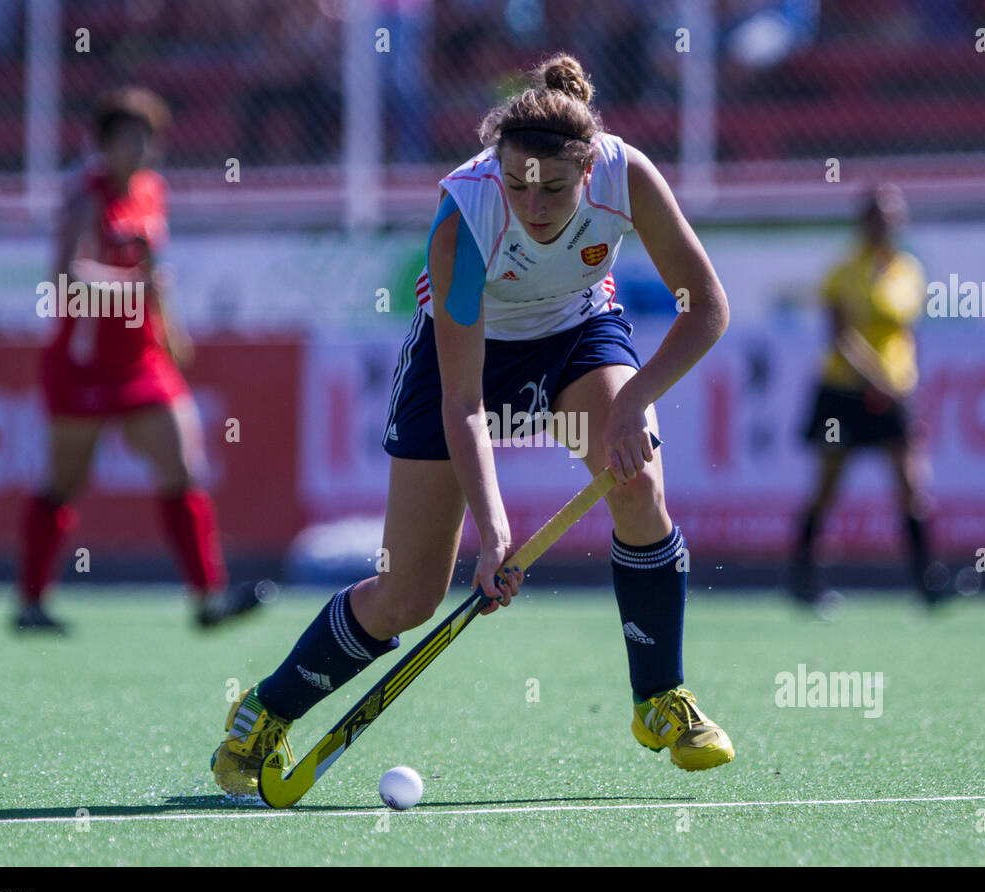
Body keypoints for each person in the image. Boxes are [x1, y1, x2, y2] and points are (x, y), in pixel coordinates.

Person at [212, 54, 734, 797]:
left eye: (555, 188)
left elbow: (706, 307)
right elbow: (465, 402)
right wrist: (493, 536)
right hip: (462, 357)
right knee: (408, 596)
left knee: (640, 482)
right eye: (519, 183)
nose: (535, 203)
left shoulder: (627, 176)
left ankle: (660, 699)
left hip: (577, 334)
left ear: (588, 171)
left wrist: (628, 404)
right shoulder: (466, 214)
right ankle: (266, 709)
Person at [14, 86, 270, 634]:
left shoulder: (153, 191)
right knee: (63, 484)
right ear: (101, 143)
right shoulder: (85, 196)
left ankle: (208, 598)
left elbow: (156, 273)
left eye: (146, 137)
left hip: (141, 360)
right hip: (83, 363)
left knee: (183, 466)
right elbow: (65, 279)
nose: (139, 147)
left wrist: (169, 326)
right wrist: (136, 287)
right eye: (126, 137)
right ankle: (31, 604)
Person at [790, 183, 949, 607]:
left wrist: (902, 378)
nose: (887, 224)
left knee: (912, 485)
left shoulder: (910, 271)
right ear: (864, 221)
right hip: (843, 393)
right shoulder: (842, 271)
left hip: (892, 396)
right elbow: (840, 337)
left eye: (894, 216)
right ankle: (805, 580)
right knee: (827, 487)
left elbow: (904, 334)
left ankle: (927, 583)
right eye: (879, 216)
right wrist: (875, 376)